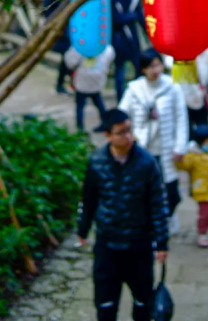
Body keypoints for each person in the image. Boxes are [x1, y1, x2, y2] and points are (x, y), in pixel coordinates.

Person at [78, 107, 169, 321]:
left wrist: (162, 242)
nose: (127, 136)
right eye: (121, 132)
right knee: (106, 305)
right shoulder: (96, 162)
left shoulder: (146, 163)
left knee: (143, 304)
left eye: (129, 130)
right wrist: (83, 228)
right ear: (108, 135)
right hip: (107, 245)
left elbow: (157, 203)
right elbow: (89, 199)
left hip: (139, 245)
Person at [119, 48, 188, 222]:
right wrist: (130, 139)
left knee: (171, 191)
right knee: (144, 189)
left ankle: (167, 218)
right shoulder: (134, 89)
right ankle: (150, 223)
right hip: (144, 148)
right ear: (143, 69)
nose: (155, 70)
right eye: (151, 66)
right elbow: (122, 115)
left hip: (167, 147)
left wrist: (180, 147)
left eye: (157, 65)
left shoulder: (172, 87)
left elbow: (181, 118)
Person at [167, 45, 208, 139]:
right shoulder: (175, 52)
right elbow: (170, 66)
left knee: (204, 135)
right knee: (184, 136)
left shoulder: (206, 53)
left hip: (200, 99)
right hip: (181, 102)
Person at [111, 0, 146, 101]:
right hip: (119, 40)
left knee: (138, 68)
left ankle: (137, 96)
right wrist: (131, 17)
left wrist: (150, 35)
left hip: (133, 40)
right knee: (119, 72)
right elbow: (117, 19)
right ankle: (121, 99)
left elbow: (141, 18)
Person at [64, 43, 115, 132]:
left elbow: (70, 62)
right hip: (97, 80)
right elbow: (110, 57)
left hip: (82, 80)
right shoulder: (105, 47)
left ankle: (80, 128)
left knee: (80, 106)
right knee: (98, 102)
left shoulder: (80, 46)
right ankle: (105, 123)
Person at [43, 0, 73, 94]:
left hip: (73, 25)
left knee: (68, 57)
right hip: (61, 27)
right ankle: (62, 84)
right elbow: (47, 9)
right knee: (66, 56)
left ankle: (66, 83)